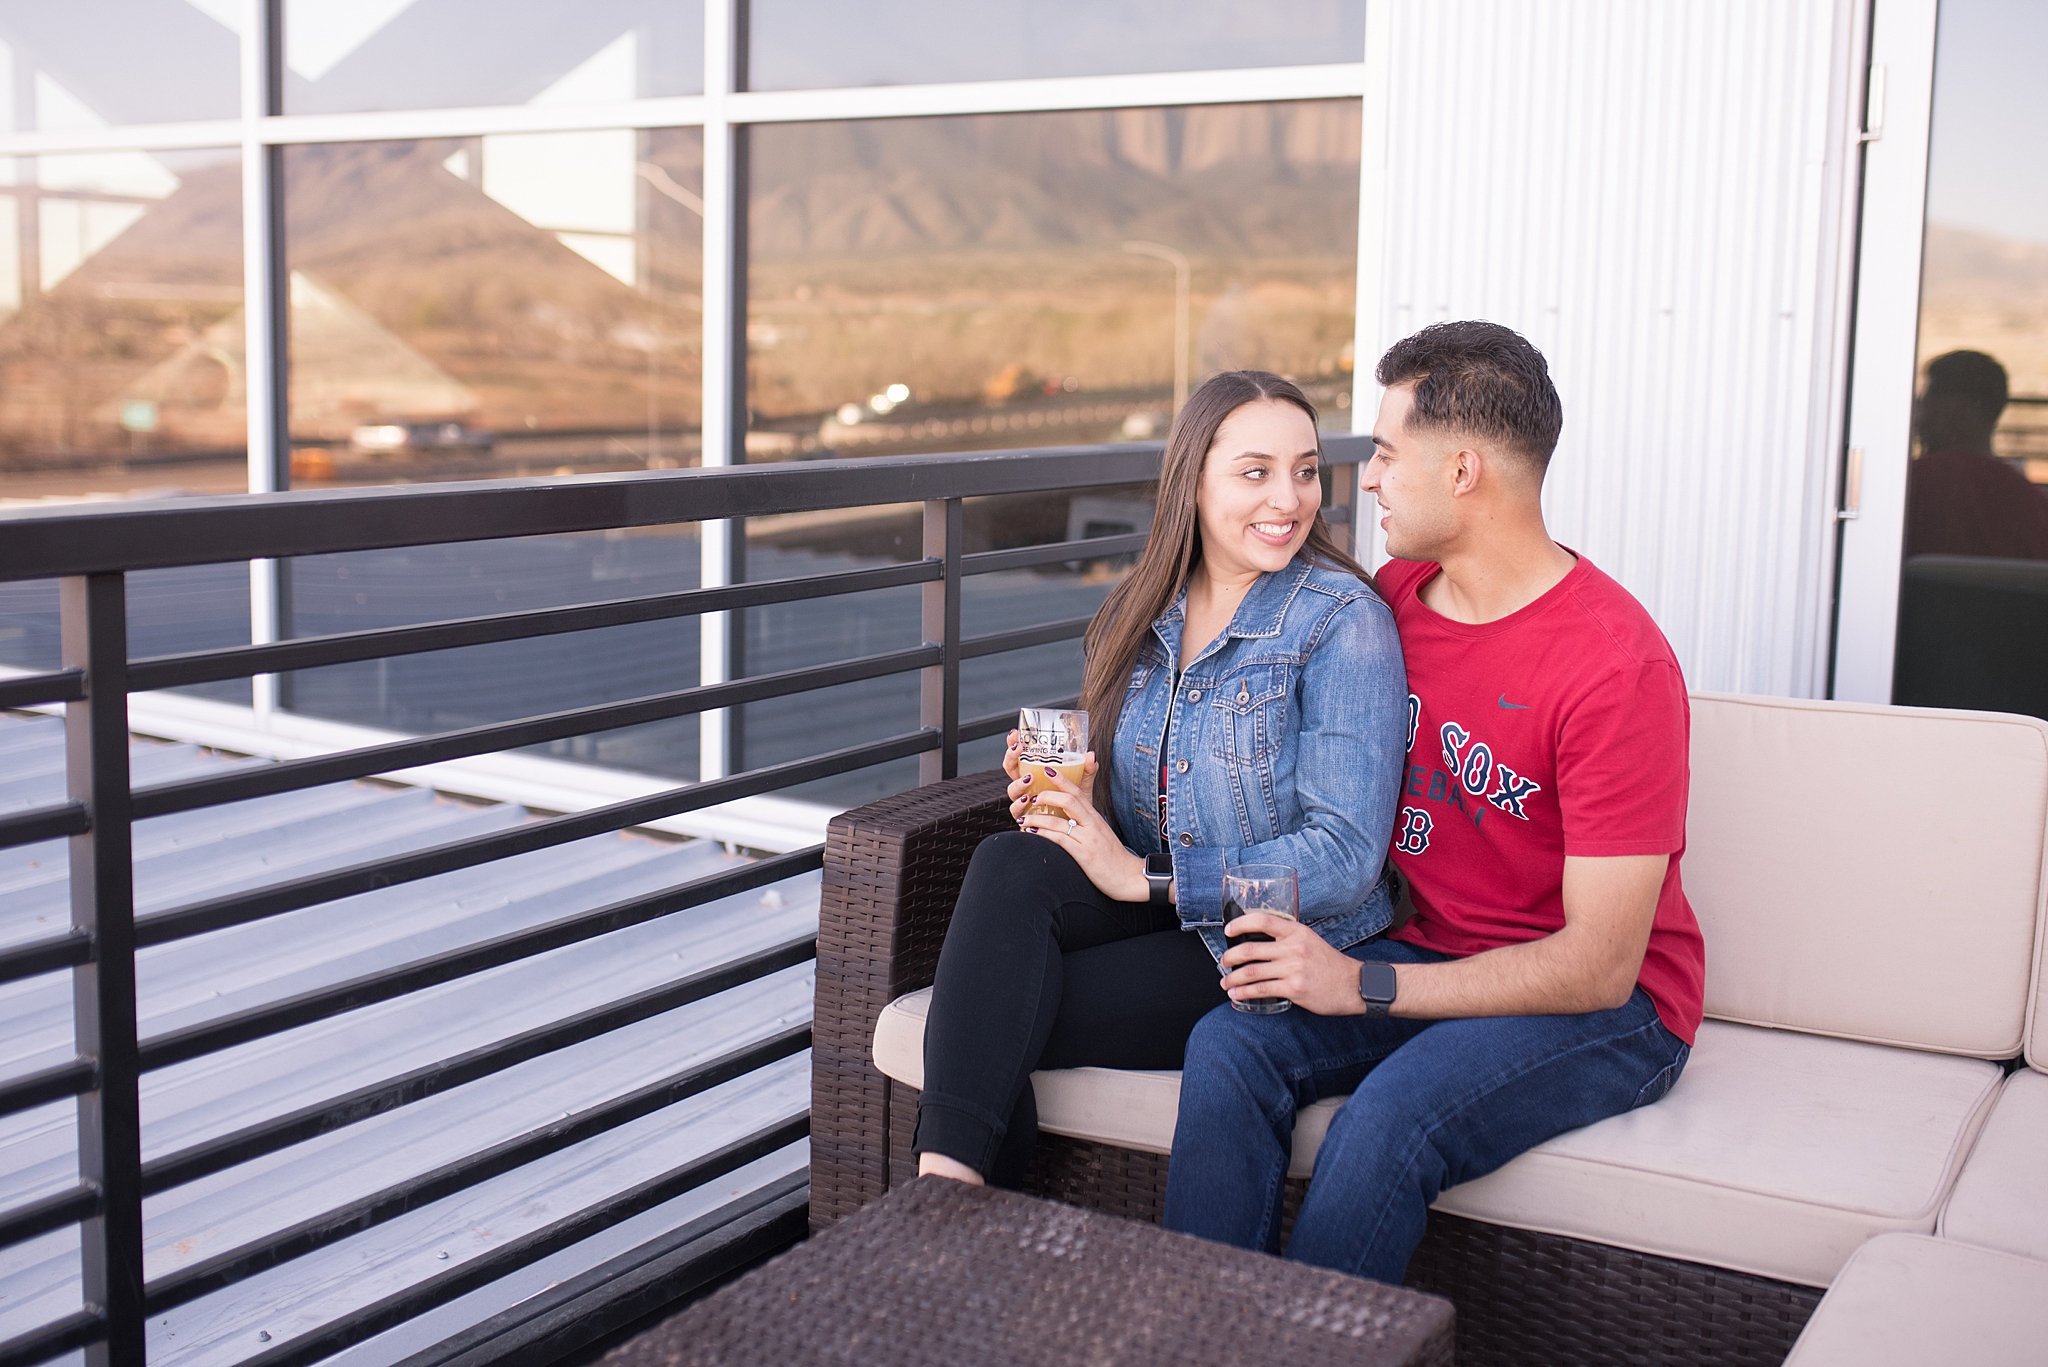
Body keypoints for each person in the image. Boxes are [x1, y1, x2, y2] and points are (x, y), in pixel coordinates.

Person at [1163, 321, 1704, 1284]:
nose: (1363, 478)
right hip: (1432, 949)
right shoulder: (1396, 601)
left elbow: (1601, 965)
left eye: (1382, 451)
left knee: (1387, 1120)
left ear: (1461, 471)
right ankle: (1204, 1329)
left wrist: (1361, 984)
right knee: (1230, 1044)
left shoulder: (1615, 669)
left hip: (1608, 1008)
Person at [913, 369, 1408, 1188]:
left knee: (995, 1009)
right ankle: (951, 1199)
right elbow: (1147, 806)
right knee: (1007, 863)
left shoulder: (1342, 622)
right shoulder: (1145, 611)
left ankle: (947, 1207)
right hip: (1157, 910)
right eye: (1255, 472)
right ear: (1194, 480)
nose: (1289, 498)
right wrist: (1069, 800)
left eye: (1306, 468)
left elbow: (1347, 856)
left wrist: (1144, 879)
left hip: (1265, 939)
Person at [1902, 349, 2048, 561]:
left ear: (1952, 409)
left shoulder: (1911, 485)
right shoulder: (2035, 506)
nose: (1917, 417)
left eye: (1925, 401)